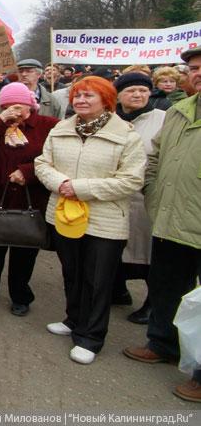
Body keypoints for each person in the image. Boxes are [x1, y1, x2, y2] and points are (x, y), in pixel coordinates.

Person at [35, 76, 146, 365]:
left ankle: (90, 337)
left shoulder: (126, 135)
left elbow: (131, 180)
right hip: (64, 213)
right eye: (77, 96)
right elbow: (42, 164)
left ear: (106, 100)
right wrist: (61, 184)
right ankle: (73, 320)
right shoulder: (61, 128)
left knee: (97, 280)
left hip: (105, 220)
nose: (81, 101)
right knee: (71, 271)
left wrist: (80, 188)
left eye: (89, 96)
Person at [123, 46, 201, 402]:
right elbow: (153, 159)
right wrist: (154, 197)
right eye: (193, 68)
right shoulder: (179, 111)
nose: (196, 73)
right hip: (170, 219)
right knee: (166, 285)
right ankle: (162, 343)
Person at [0, 82, 58, 316]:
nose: (14, 111)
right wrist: (0, 120)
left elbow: (56, 158)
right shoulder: (0, 125)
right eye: (8, 106)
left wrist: (27, 172)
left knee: (24, 249)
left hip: (30, 197)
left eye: (18, 106)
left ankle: (20, 294)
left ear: (30, 105)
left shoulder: (48, 126)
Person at [108, 72, 167, 324]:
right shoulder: (110, 119)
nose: (138, 94)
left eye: (143, 90)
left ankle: (153, 304)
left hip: (146, 198)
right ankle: (118, 290)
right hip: (114, 196)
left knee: (148, 254)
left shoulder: (164, 119)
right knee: (114, 247)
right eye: (131, 90)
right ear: (118, 95)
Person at [0, 58, 65, 120]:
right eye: (20, 71)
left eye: (28, 71)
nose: (23, 74)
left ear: (39, 74)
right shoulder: (4, 94)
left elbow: (58, 125)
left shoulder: (51, 100)